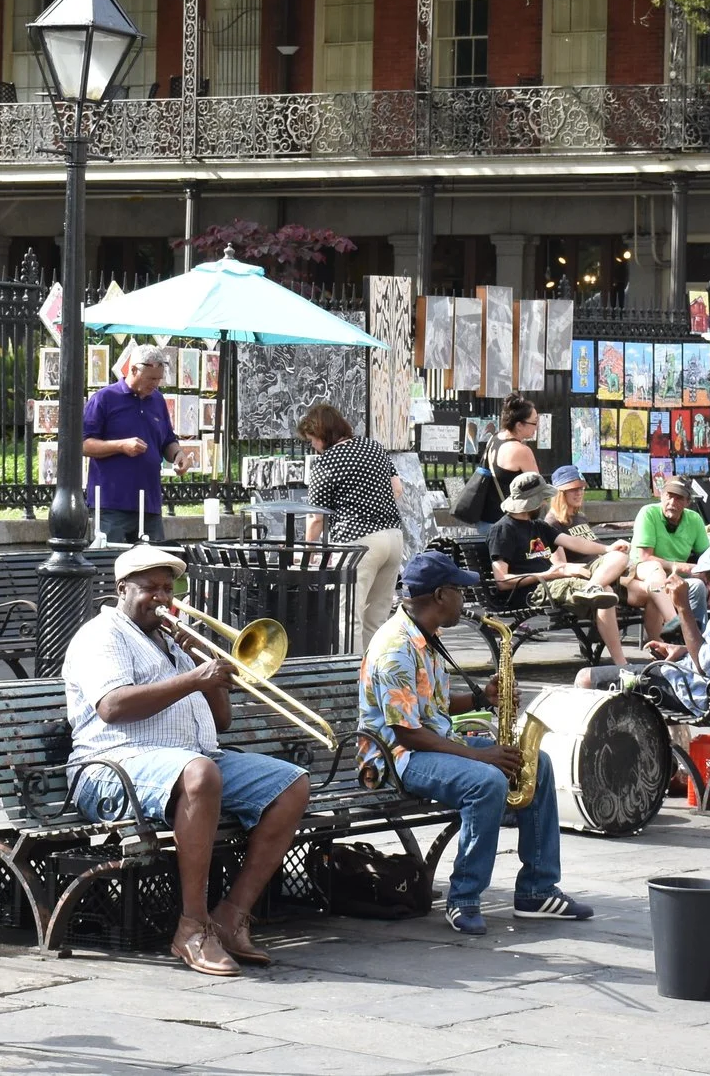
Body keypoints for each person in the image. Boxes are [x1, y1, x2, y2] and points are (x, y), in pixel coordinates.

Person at [62, 544, 313, 975]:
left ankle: (231, 917)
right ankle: (192, 927)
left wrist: (205, 664)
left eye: (168, 588)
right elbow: (113, 707)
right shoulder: (102, 636)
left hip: (192, 759)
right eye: (150, 589)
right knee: (200, 774)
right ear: (122, 588)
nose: (162, 598)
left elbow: (223, 720)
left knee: (291, 783)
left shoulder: (174, 642)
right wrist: (193, 677)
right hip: (112, 766)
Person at [358, 551, 594, 933]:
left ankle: (537, 889)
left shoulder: (425, 636)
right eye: (459, 591)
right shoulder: (396, 648)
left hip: (427, 742)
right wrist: (477, 756)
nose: (465, 600)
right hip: (395, 756)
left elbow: (433, 704)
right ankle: (464, 898)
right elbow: (406, 732)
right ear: (439, 596)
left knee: (537, 764)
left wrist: (483, 698)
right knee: (487, 781)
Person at [573, 536, 710, 710]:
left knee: (586, 678)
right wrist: (683, 650)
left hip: (698, 692)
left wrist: (683, 607)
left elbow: (704, 666)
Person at [487, 471, 629, 667]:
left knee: (619, 557)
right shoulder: (503, 530)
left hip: (556, 580)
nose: (545, 503)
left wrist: (608, 548)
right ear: (533, 502)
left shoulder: (537, 525)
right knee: (605, 592)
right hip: (535, 590)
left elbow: (574, 542)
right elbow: (502, 580)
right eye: (542, 499)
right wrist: (553, 573)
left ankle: (591, 588)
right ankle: (621, 665)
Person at [299, 401, 409, 648]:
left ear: (322, 434)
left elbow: (316, 516)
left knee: (348, 618)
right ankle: (376, 676)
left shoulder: (326, 463)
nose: (313, 446)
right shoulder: (373, 447)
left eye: (312, 440)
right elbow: (397, 489)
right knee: (377, 618)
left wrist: (308, 550)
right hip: (393, 538)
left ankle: (349, 677)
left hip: (357, 543)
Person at [83, 346, 178, 544]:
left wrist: (178, 455)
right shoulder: (104, 398)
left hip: (149, 502)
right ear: (133, 370)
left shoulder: (158, 401)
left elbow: (168, 440)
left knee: (152, 565)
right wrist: (121, 446)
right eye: (151, 379)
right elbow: (83, 445)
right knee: (112, 564)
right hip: (112, 502)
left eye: (159, 379)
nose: (156, 384)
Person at [627, 476, 710, 643]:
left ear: (688, 502)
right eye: (669, 495)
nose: (672, 501)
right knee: (687, 587)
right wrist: (683, 567)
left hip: (673, 577)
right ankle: (686, 638)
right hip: (642, 574)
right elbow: (645, 558)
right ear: (661, 496)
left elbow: (708, 557)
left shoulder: (694, 519)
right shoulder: (649, 513)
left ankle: (698, 640)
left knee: (702, 585)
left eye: (679, 498)